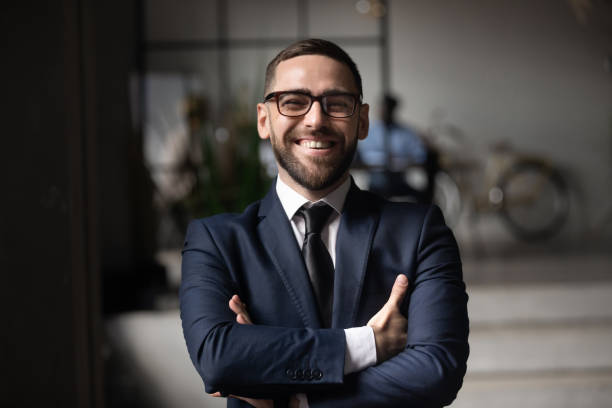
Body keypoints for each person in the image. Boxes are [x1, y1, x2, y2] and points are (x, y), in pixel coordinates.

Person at [180, 39, 469, 408]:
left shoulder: (420, 231)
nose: (316, 120)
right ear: (264, 120)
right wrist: (367, 345)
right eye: (293, 102)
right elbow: (218, 359)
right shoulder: (216, 241)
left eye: (337, 104)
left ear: (362, 120)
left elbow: (436, 372)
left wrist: (292, 398)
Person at [357, 94, 439, 203]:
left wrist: (425, 147)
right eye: (381, 107)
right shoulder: (368, 131)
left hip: (399, 181)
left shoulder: (406, 132)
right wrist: (384, 158)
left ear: (394, 110)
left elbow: (420, 155)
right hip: (376, 182)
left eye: (387, 108)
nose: (383, 111)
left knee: (424, 200)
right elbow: (362, 154)